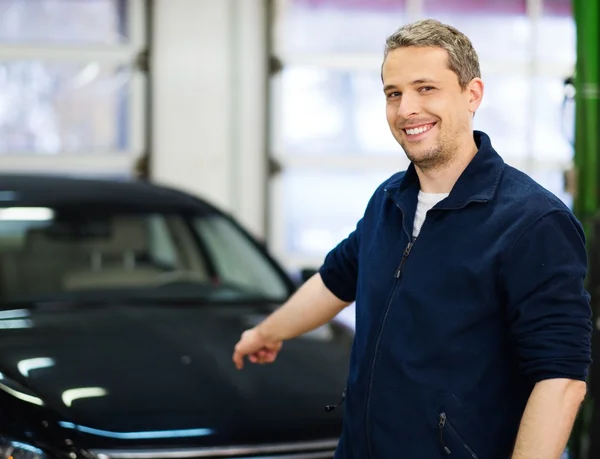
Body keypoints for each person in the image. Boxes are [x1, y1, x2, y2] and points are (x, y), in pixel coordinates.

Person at [232, 18, 593, 459]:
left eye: (426, 88)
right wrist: (267, 333)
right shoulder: (389, 200)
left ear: (472, 94)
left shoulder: (533, 222)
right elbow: (336, 280)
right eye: (393, 93)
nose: (406, 110)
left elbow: (561, 380)